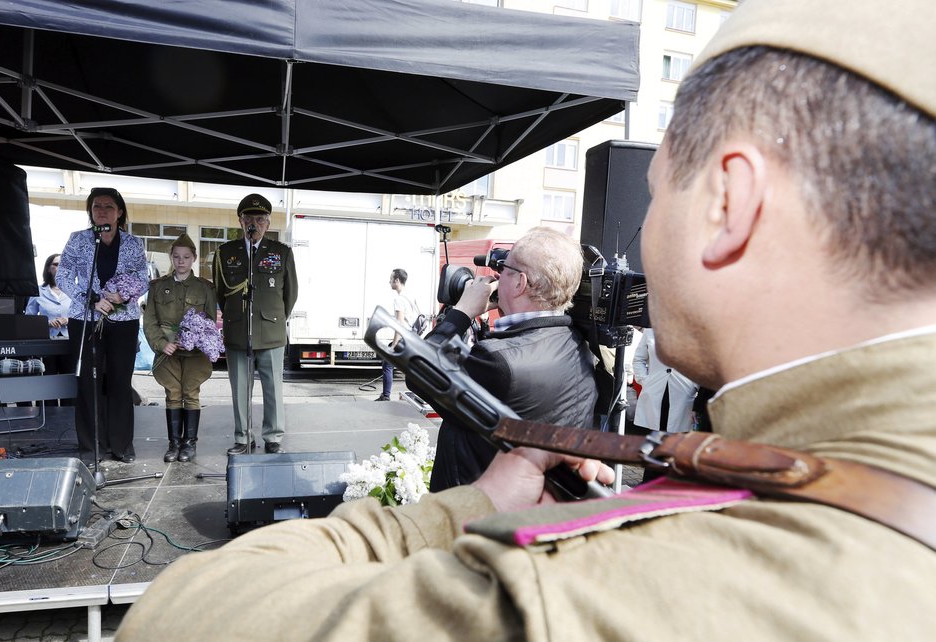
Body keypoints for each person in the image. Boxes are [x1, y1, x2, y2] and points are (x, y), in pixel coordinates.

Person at [117, 1, 936, 638]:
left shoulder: (611, 590)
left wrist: (467, 507)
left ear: (729, 204)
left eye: (657, 196)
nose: (646, 236)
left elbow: (185, 615)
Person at [421, 226, 599, 491]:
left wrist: (462, 312)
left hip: (476, 511)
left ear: (520, 283)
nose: (495, 275)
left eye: (503, 268)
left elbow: (420, 372)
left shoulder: (498, 362)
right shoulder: (576, 342)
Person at [57, 187, 148, 466]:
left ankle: (121, 445)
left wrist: (124, 295)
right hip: (85, 318)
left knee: (120, 381)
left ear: (119, 212)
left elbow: (143, 277)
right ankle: (90, 446)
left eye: (109, 206)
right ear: (91, 212)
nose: (102, 211)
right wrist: (90, 300)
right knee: (87, 382)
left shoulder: (133, 243)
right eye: (97, 206)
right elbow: (63, 275)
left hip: (123, 319)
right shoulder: (79, 240)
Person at [213, 194, 298, 455]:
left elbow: (290, 294)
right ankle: (243, 438)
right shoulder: (225, 253)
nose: (255, 223)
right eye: (249, 218)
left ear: (268, 222)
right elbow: (219, 291)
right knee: (240, 390)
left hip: (270, 332)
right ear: (240, 220)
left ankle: (272, 437)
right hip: (239, 331)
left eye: (260, 219)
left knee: (273, 389)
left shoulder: (281, 252)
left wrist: (274, 319)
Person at [143, 234, 217, 463]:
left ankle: (189, 444)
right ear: (171, 258)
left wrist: (195, 339)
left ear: (194, 258)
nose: (181, 261)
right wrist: (161, 344)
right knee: (172, 395)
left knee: (191, 394)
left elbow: (210, 322)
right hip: (168, 352)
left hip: (194, 354)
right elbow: (150, 321)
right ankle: (174, 444)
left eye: (186, 257)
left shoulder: (205, 288)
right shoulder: (158, 287)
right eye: (176, 257)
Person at [25, 253, 73, 406]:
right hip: (47, 345)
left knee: (69, 383)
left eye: (62, 264)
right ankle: (48, 419)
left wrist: (68, 320)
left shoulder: (74, 291)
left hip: (70, 343)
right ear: (48, 268)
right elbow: (29, 319)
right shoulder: (38, 291)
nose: (59, 267)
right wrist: (46, 323)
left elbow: (83, 315)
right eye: (56, 264)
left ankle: (70, 416)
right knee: (48, 384)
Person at [631, 328, 697, 434]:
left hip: (683, 393)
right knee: (652, 436)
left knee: (677, 440)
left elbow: (703, 364)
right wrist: (644, 380)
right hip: (654, 390)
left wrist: (694, 386)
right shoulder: (650, 330)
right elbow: (638, 359)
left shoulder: (696, 332)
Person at [376, 267, 419, 402]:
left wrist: (394, 344)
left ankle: (386, 396)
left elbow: (399, 325)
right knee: (410, 369)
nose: (389, 282)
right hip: (412, 336)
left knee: (387, 365)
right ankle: (418, 395)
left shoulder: (399, 299)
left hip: (403, 338)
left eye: (391, 279)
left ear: (397, 280)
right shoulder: (411, 296)